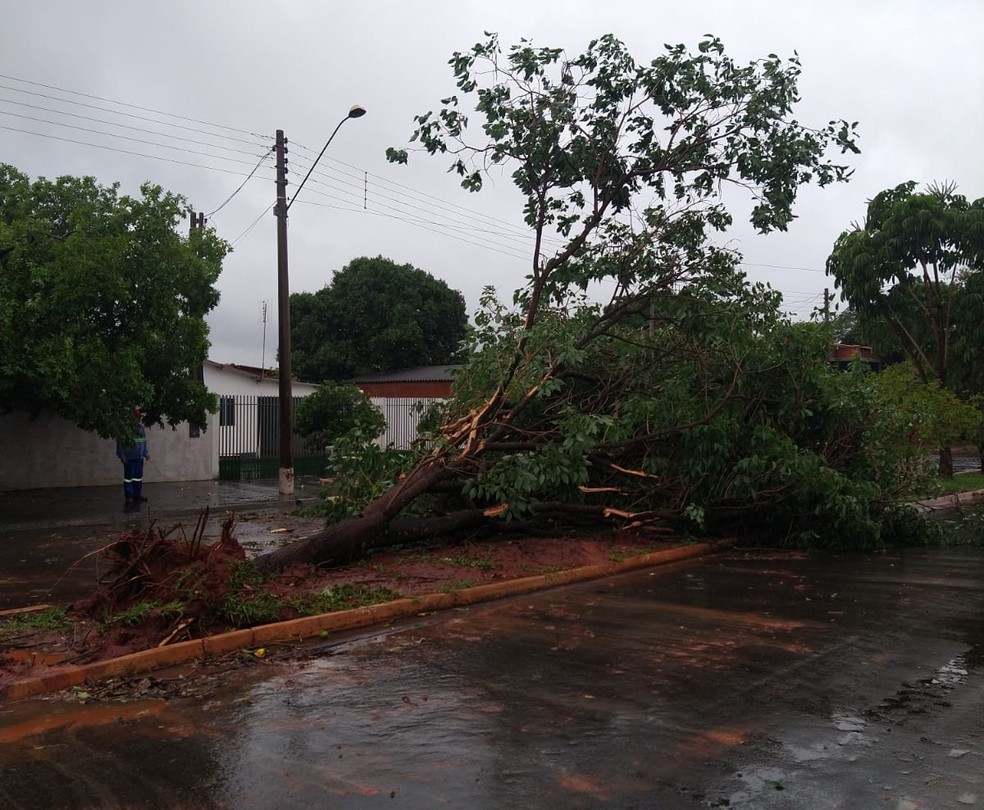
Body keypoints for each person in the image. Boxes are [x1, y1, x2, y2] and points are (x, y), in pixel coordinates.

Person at [116, 409, 150, 504]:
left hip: (139, 457)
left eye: (139, 417)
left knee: (138, 478)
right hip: (129, 457)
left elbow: (143, 441)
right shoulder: (125, 429)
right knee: (129, 478)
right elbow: (120, 443)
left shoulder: (141, 428)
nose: (139, 419)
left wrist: (145, 453)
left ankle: (137, 495)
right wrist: (122, 455)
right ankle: (129, 496)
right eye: (137, 417)